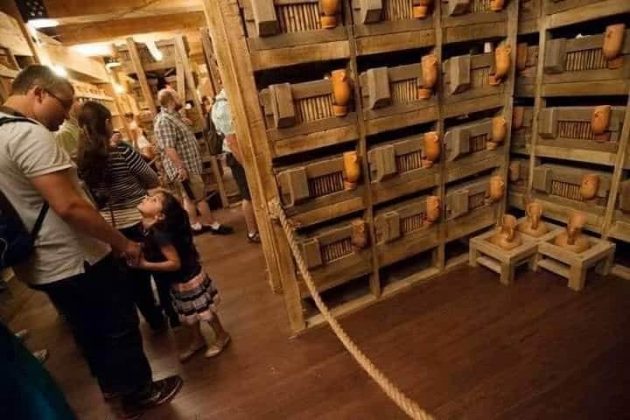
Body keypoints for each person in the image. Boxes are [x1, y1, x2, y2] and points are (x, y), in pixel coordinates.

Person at [0, 65, 182, 418]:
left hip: (42, 261)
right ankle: (139, 392)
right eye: (64, 103)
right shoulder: (28, 135)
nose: (68, 115)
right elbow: (69, 205)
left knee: (87, 329)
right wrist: (122, 243)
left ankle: (113, 385)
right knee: (117, 322)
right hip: (73, 256)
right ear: (38, 93)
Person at [77, 101, 180, 331]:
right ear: (106, 123)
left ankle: (154, 320)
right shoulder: (121, 150)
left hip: (112, 228)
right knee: (160, 269)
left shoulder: (81, 161)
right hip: (141, 220)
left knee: (135, 279)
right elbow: (151, 179)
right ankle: (173, 315)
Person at [136, 190, 231, 362]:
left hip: (188, 278)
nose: (147, 198)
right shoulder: (150, 228)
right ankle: (198, 339)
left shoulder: (160, 234)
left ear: (160, 216)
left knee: (205, 311)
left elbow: (174, 263)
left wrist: (145, 265)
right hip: (180, 279)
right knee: (189, 314)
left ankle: (221, 335)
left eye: (154, 200)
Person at [154, 88, 233, 236]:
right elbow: (168, 147)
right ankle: (213, 225)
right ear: (171, 100)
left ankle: (195, 225)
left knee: (189, 197)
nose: (180, 98)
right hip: (185, 168)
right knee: (200, 197)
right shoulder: (164, 120)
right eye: (177, 96)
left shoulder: (172, 117)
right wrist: (180, 167)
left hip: (188, 166)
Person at [212, 89, 260, 242]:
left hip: (238, 153)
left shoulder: (223, 103)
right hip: (237, 155)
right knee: (248, 195)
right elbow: (232, 141)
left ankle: (256, 229)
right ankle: (252, 232)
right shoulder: (224, 106)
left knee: (250, 194)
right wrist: (248, 165)